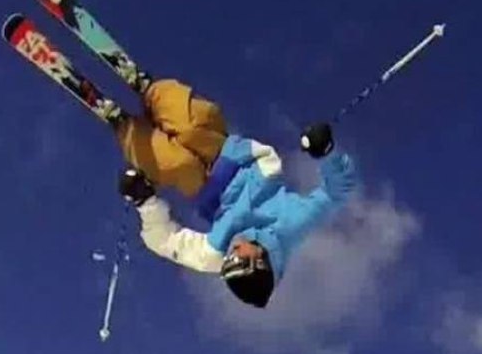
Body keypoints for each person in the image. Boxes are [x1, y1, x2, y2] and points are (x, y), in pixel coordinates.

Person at [111, 78, 358, 308]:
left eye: (227, 262)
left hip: (204, 188)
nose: (231, 252)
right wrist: (327, 152)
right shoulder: (292, 224)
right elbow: (338, 191)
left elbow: (164, 241)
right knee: (194, 125)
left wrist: (145, 202)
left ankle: (126, 128)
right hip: (236, 158)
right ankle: (153, 92)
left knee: (173, 164)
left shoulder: (214, 254)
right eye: (238, 258)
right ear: (259, 260)